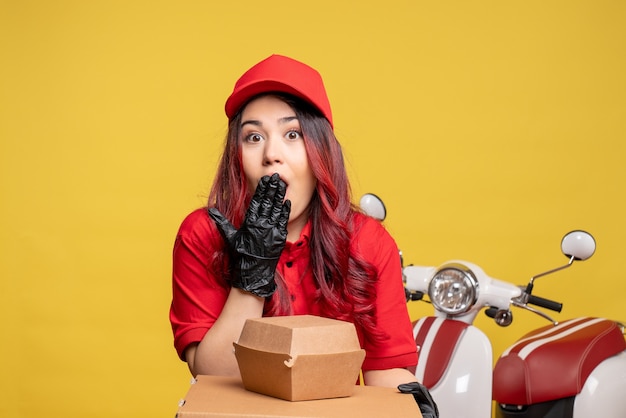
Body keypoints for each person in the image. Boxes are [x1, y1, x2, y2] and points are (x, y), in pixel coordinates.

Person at [169, 54, 422, 390]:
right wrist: (253, 275)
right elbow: (213, 378)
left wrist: (412, 403)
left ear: (321, 150)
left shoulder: (369, 241)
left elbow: (385, 374)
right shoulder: (203, 233)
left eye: (293, 134)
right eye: (254, 137)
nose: (271, 153)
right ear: (237, 156)